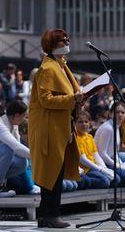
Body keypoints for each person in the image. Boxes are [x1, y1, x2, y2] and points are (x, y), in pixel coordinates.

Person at [28, 29, 87, 229]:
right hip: (49, 128)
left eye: (67, 39)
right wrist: (73, 99)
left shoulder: (61, 65)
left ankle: (49, 215)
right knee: (52, 173)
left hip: (60, 127)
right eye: (62, 41)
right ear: (52, 45)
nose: (67, 42)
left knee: (56, 173)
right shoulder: (48, 69)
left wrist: (78, 98)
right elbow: (46, 100)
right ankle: (50, 215)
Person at [94, 102, 125, 187]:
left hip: (111, 161)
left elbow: (114, 152)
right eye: (117, 112)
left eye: (122, 112)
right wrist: (117, 166)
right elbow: (102, 154)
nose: (120, 115)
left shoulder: (117, 127)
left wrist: (122, 164)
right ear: (110, 114)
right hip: (102, 162)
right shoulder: (108, 128)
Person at [74, 111, 114, 190]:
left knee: (115, 179)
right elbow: (83, 160)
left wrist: (104, 168)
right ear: (74, 124)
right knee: (105, 182)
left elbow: (96, 155)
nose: (84, 124)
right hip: (84, 170)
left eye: (86, 122)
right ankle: (82, 180)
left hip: (93, 167)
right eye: (80, 122)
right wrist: (101, 170)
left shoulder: (89, 137)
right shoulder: (75, 137)